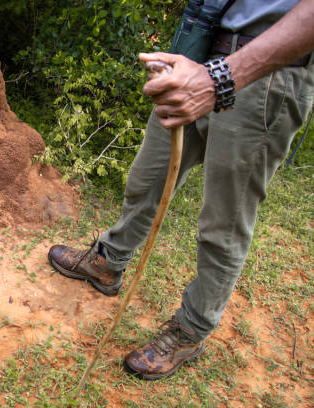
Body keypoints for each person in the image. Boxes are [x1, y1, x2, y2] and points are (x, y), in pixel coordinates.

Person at [48, 0, 314, 380]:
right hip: (199, 55)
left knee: (224, 222)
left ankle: (192, 329)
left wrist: (221, 78)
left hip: (266, 74)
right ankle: (108, 262)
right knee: (147, 178)